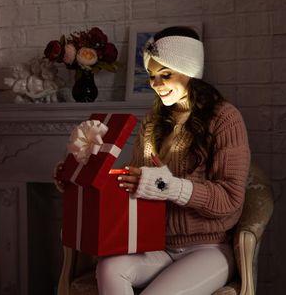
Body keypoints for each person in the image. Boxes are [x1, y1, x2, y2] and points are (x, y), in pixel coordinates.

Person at [95, 26, 251, 295]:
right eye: (152, 76)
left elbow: (230, 198)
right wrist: (83, 175)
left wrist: (169, 187)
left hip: (209, 248)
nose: (155, 84)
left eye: (165, 74)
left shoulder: (225, 118)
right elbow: (135, 184)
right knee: (108, 269)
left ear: (191, 72)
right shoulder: (151, 123)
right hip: (158, 246)